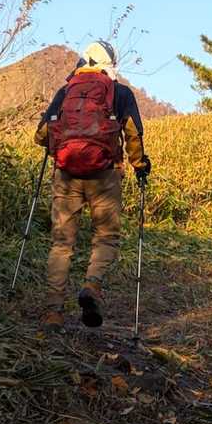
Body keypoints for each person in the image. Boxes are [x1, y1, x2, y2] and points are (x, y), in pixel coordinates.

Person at [34, 40, 151, 328]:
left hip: (66, 175)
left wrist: (61, 146)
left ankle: (53, 311)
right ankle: (92, 285)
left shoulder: (66, 91)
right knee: (106, 237)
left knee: (62, 243)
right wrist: (140, 165)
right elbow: (133, 133)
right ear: (111, 63)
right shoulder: (120, 92)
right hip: (105, 175)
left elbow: (41, 134)